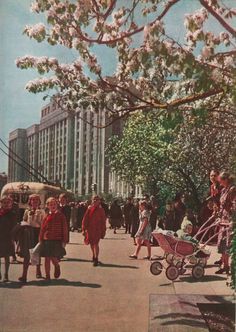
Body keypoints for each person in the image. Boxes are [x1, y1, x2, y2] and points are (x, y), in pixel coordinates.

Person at [18, 194, 45, 283]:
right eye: (32, 200)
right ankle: (24, 275)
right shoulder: (27, 211)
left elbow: (43, 223)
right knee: (27, 254)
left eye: (36, 200)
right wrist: (24, 224)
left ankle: (38, 270)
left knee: (37, 252)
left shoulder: (42, 211)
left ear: (39, 202)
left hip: (38, 232)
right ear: (30, 202)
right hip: (28, 232)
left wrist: (37, 217)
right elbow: (24, 220)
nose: (34, 202)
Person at [39, 197, 68, 281]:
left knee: (53, 256)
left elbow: (65, 228)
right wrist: (40, 239)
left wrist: (64, 240)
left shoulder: (61, 215)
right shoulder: (46, 216)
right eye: (51, 204)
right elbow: (42, 229)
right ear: (47, 206)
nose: (53, 206)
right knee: (47, 257)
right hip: (47, 239)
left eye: (54, 204)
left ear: (57, 205)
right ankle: (47, 276)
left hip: (56, 239)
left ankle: (56, 265)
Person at [215, 172, 236, 274]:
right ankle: (225, 266)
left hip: (229, 220)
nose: (220, 183)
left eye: (221, 181)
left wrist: (233, 219)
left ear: (226, 179)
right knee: (221, 243)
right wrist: (218, 216)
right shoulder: (224, 190)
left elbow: (234, 204)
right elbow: (221, 205)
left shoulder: (232, 189)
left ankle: (229, 267)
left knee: (227, 244)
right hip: (222, 219)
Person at [82, 195, 106, 266]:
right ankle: (93, 254)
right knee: (92, 244)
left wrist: (103, 230)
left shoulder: (101, 210)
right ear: (92, 201)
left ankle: (96, 258)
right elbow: (85, 219)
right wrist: (83, 229)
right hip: (90, 229)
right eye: (94, 199)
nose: (95, 201)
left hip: (97, 229)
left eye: (97, 199)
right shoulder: (89, 209)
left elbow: (103, 221)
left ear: (99, 201)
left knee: (96, 243)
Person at [0, 196, 17, 282]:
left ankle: (6, 274)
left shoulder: (12, 214)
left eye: (8, 203)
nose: (6, 204)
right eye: (4, 203)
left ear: (11, 204)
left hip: (7, 237)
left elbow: (14, 226)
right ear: (1, 203)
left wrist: (12, 237)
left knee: (6, 256)